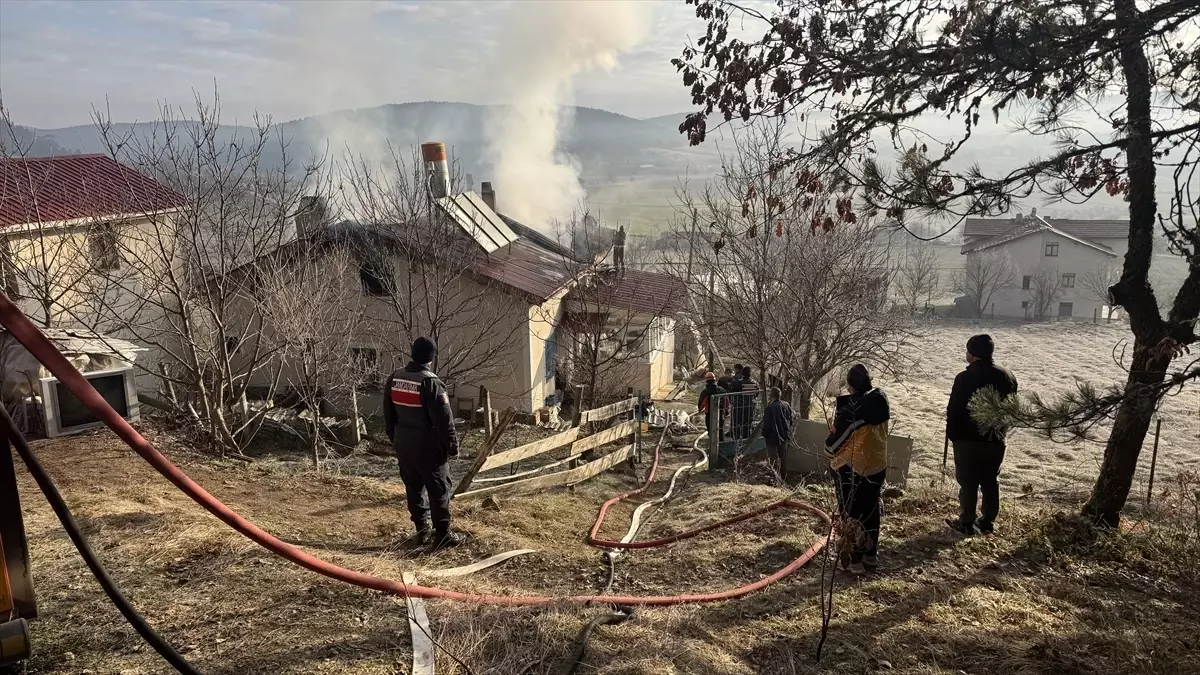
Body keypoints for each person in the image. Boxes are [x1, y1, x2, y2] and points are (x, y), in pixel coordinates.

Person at [382, 337, 465, 549]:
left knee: (414, 488)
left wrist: (396, 440)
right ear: (431, 357)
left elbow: (389, 415)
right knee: (439, 489)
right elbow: (444, 420)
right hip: (428, 448)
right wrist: (452, 447)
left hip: (404, 444)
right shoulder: (431, 383)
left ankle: (421, 531)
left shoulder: (394, 378)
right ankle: (443, 534)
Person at [945, 334, 1018, 535]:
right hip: (996, 437)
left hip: (968, 439)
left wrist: (953, 434)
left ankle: (966, 522)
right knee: (990, 481)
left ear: (973, 354)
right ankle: (987, 523)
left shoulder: (965, 377)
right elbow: (1012, 408)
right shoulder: (1007, 376)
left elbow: (955, 409)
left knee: (968, 481)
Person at [824, 364, 890, 574]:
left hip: (852, 469)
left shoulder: (853, 410)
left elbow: (831, 446)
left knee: (851, 513)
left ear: (850, 385)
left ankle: (853, 561)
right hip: (877, 465)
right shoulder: (881, 401)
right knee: (871, 511)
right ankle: (870, 556)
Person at [762, 386, 794, 479]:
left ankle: (774, 477)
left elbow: (767, 424)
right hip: (784, 434)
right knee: (783, 457)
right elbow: (790, 420)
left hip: (772, 436)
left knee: (773, 457)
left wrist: (765, 434)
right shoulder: (786, 405)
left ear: (771, 395)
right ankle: (783, 476)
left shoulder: (770, 408)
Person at [697, 372, 727, 441]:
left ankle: (712, 445)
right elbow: (727, 402)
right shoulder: (722, 390)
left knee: (710, 428)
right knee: (720, 428)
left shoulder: (705, 392)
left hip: (710, 414)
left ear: (706, 380)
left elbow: (701, 405)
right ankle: (721, 444)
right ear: (714, 379)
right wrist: (726, 411)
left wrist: (700, 409)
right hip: (721, 413)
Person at [735, 366, 760, 438]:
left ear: (743, 374)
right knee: (749, 422)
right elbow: (756, 393)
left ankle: (737, 438)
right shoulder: (755, 383)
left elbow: (735, 391)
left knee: (739, 422)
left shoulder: (739, 383)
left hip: (740, 406)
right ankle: (747, 438)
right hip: (751, 405)